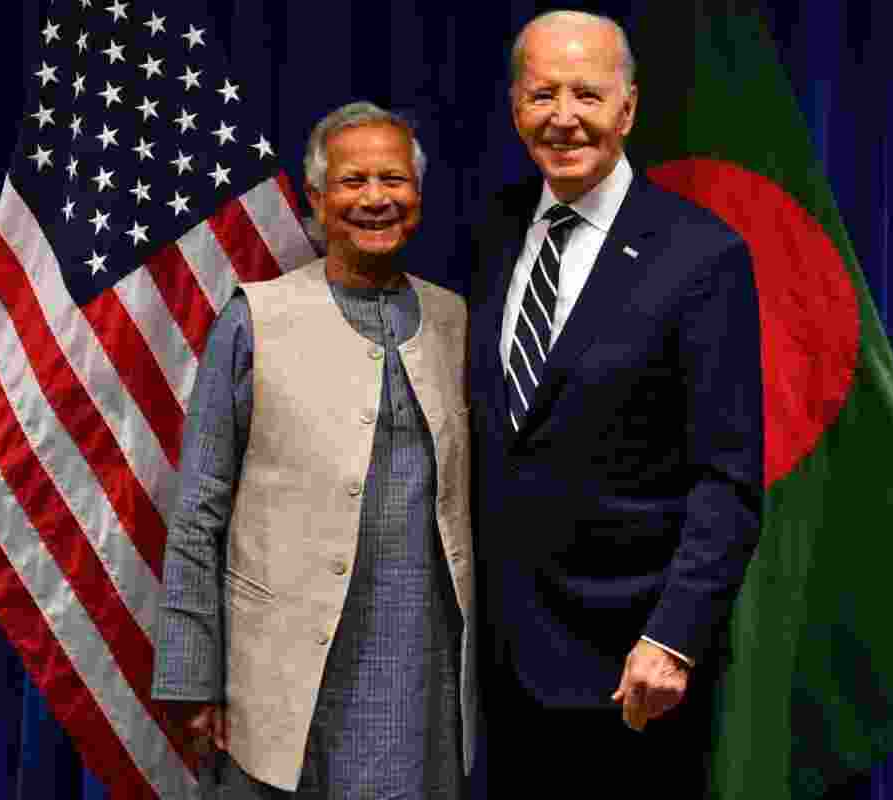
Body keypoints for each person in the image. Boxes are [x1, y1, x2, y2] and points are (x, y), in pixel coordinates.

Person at [468, 10, 763, 796]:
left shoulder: (702, 255)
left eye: (587, 96)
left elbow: (729, 480)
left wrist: (673, 639)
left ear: (628, 109)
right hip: (498, 663)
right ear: (514, 107)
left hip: (632, 669)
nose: (563, 118)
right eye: (542, 95)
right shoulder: (489, 233)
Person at [151, 101, 475, 799]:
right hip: (277, 682)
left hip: (418, 679)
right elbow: (199, 510)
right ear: (318, 201)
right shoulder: (253, 321)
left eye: (393, 179)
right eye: (353, 181)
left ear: (418, 197)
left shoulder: (454, 320)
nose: (375, 198)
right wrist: (191, 674)